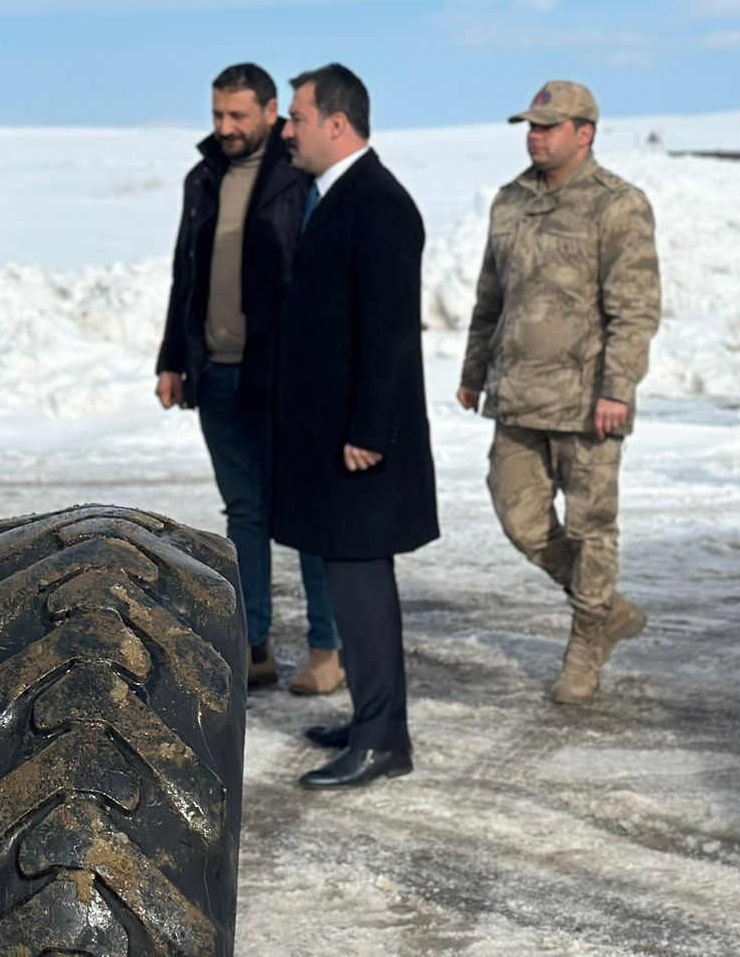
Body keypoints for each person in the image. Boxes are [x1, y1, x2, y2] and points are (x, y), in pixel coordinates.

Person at [457, 80, 661, 705]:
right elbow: (490, 298)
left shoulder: (618, 204)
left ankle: (585, 644)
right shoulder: (509, 201)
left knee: (593, 526)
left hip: (586, 401)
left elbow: (636, 309)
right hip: (517, 394)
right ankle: (605, 607)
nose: (534, 135)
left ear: (585, 133)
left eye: (548, 126)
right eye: (530, 125)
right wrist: (472, 371)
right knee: (519, 517)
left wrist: (617, 389)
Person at [272, 64, 437, 790]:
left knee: (364, 585)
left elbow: (391, 331)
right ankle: (371, 717)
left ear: (336, 124)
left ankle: (383, 737)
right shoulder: (333, 197)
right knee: (346, 581)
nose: (288, 129)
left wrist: (369, 428)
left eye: (298, 117)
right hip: (334, 434)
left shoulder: (380, 204)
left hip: (365, 442)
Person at [155, 62, 342, 693]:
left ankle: (328, 646)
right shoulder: (202, 179)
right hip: (215, 373)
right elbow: (186, 275)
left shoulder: (298, 178)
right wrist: (171, 359)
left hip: (281, 373)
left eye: (238, 115)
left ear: (270, 113)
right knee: (245, 513)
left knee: (308, 511)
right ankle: (252, 643)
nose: (226, 127)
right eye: (217, 116)